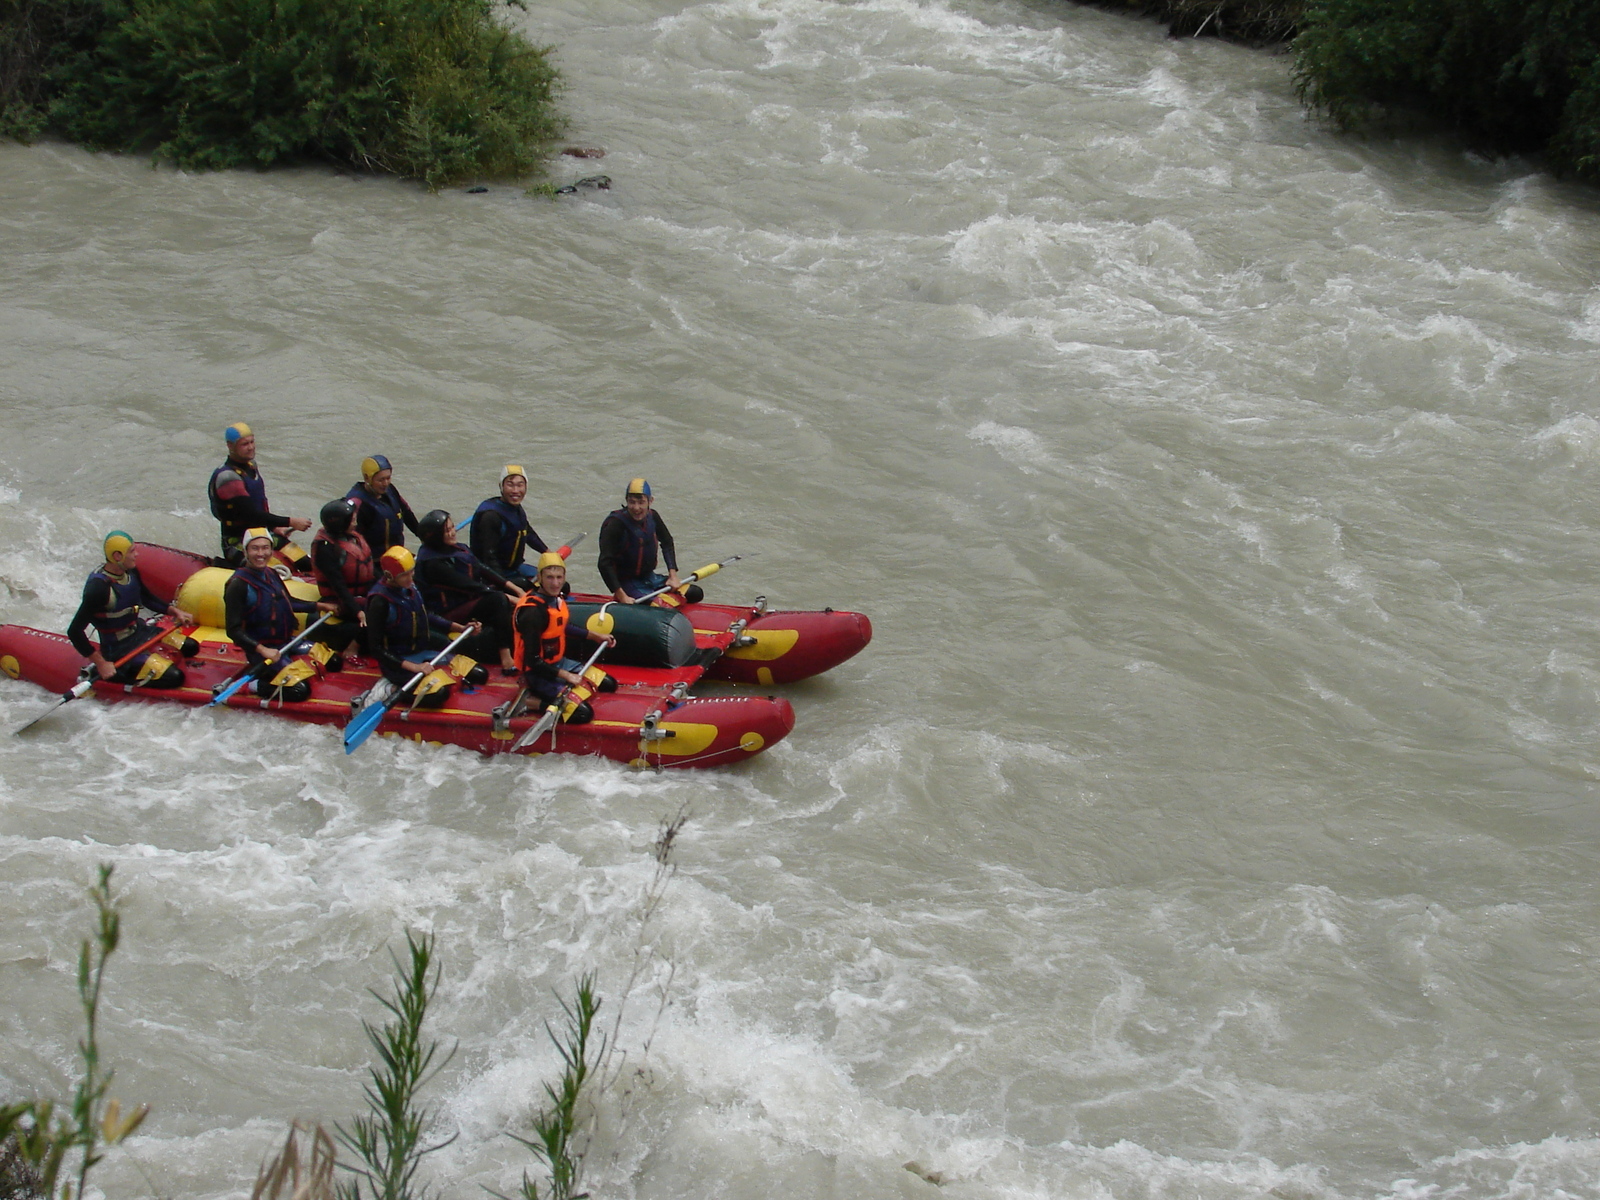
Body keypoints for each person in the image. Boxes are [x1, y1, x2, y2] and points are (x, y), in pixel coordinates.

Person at [66, 532, 197, 688]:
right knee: (175, 677)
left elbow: (146, 597)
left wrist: (175, 612)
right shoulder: (98, 589)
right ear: (117, 556)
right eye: (132, 551)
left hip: (139, 632)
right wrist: (101, 663)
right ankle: (104, 673)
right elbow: (74, 631)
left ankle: (147, 658)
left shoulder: (130, 571)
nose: (137, 554)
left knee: (191, 647)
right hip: (118, 650)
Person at [365, 547, 485, 708]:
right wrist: (414, 667)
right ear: (389, 576)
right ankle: (390, 688)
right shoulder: (379, 602)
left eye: (411, 572)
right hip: (397, 663)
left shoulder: (410, 587)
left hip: (421, 651)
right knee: (439, 694)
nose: (410, 578)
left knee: (480, 675)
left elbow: (425, 615)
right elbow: (376, 649)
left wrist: (461, 628)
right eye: (404, 575)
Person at [223, 529, 333, 702]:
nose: (261, 554)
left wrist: (319, 605)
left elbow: (288, 602)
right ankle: (252, 685)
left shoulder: (271, 573)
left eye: (265, 548)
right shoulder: (237, 585)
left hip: (286, 641)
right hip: (261, 650)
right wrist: (262, 650)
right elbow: (233, 630)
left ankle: (290, 663)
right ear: (245, 551)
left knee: (333, 661)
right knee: (298, 690)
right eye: (255, 549)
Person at [413, 509, 527, 672]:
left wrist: (515, 588)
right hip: (449, 611)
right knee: (497, 600)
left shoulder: (457, 548)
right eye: (447, 531)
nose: (453, 532)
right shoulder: (433, 564)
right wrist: (512, 598)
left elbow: (482, 568)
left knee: (522, 583)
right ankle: (506, 658)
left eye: (452, 527)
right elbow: (469, 585)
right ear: (435, 536)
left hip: (466, 598)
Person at [513, 552, 616, 723]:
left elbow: (561, 626)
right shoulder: (532, 612)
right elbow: (532, 660)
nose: (555, 583)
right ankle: (531, 702)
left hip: (559, 662)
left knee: (608, 683)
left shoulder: (556, 599)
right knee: (582, 714)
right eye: (549, 577)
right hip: (538, 672)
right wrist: (566, 675)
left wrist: (596, 636)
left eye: (559, 577)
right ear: (539, 577)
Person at [208, 423, 311, 566]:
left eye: (252, 442)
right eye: (244, 444)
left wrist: (274, 528)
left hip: (263, 533)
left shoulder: (251, 466)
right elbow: (251, 515)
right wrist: (291, 521)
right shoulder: (228, 477)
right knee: (272, 572)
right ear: (230, 446)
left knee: (305, 563)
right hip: (238, 541)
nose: (251, 447)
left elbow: (259, 504)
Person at [597, 478, 703, 605]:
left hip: (650, 577)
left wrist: (672, 576)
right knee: (660, 606)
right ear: (626, 501)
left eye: (641, 502)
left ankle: (666, 599)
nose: (636, 508)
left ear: (650, 501)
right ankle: (660, 602)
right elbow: (604, 563)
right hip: (627, 583)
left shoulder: (653, 516)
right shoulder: (615, 524)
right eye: (632, 502)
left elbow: (667, 542)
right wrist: (622, 595)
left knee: (696, 593)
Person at [310, 498, 376, 653]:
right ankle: (352, 648)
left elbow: (369, 568)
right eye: (352, 520)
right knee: (379, 616)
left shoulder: (352, 537)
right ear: (339, 524)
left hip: (362, 593)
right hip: (339, 599)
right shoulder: (325, 549)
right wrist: (357, 611)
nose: (355, 523)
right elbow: (338, 584)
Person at [470, 465, 550, 580]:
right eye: (510, 484)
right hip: (491, 575)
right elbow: (489, 558)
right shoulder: (490, 517)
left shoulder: (516, 509)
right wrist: (507, 587)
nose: (515, 491)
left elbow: (526, 531)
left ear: (526, 487)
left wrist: (547, 553)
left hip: (514, 569)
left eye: (520, 485)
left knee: (560, 584)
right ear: (501, 486)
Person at [346, 455, 422, 554]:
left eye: (388, 478)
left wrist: (423, 536)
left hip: (396, 556)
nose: (386, 483)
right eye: (381, 480)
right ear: (367, 478)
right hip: (374, 561)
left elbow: (406, 513)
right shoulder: (359, 504)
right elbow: (352, 538)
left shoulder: (390, 490)